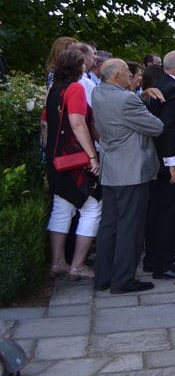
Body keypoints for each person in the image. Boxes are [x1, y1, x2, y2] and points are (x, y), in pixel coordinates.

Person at [91, 59, 164, 294]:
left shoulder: (98, 93)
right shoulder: (126, 99)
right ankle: (123, 280)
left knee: (109, 225)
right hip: (132, 171)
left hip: (111, 168)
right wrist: (140, 100)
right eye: (127, 73)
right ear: (116, 76)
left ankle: (103, 277)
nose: (132, 77)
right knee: (130, 228)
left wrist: (139, 97)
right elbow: (156, 127)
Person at [40, 48, 102, 280]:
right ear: (79, 66)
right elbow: (78, 124)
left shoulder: (53, 90)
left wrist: (50, 153)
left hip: (56, 160)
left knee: (61, 208)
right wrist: (92, 156)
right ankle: (77, 265)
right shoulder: (75, 88)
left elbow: (45, 124)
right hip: (76, 161)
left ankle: (57, 262)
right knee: (92, 208)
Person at [143, 50, 175, 280]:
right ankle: (163, 262)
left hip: (156, 158)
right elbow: (168, 128)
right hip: (168, 158)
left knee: (158, 211)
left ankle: (157, 257)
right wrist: (172, 163)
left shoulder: (159, 84)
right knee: (170, 213)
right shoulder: (173, 90)